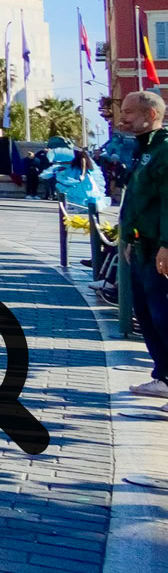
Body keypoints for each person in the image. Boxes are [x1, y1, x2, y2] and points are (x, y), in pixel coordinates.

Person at [118, 91, 168, 398]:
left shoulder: (164, 150)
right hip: (140, 245)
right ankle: (163, 377)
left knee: (163, 315)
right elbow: (137, 199)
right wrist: (127, 236)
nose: (121, 117)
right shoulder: (143, 148)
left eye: (128, 112)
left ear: (149, 115)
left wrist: (167, 244)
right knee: (148, 316)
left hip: (158, 248)